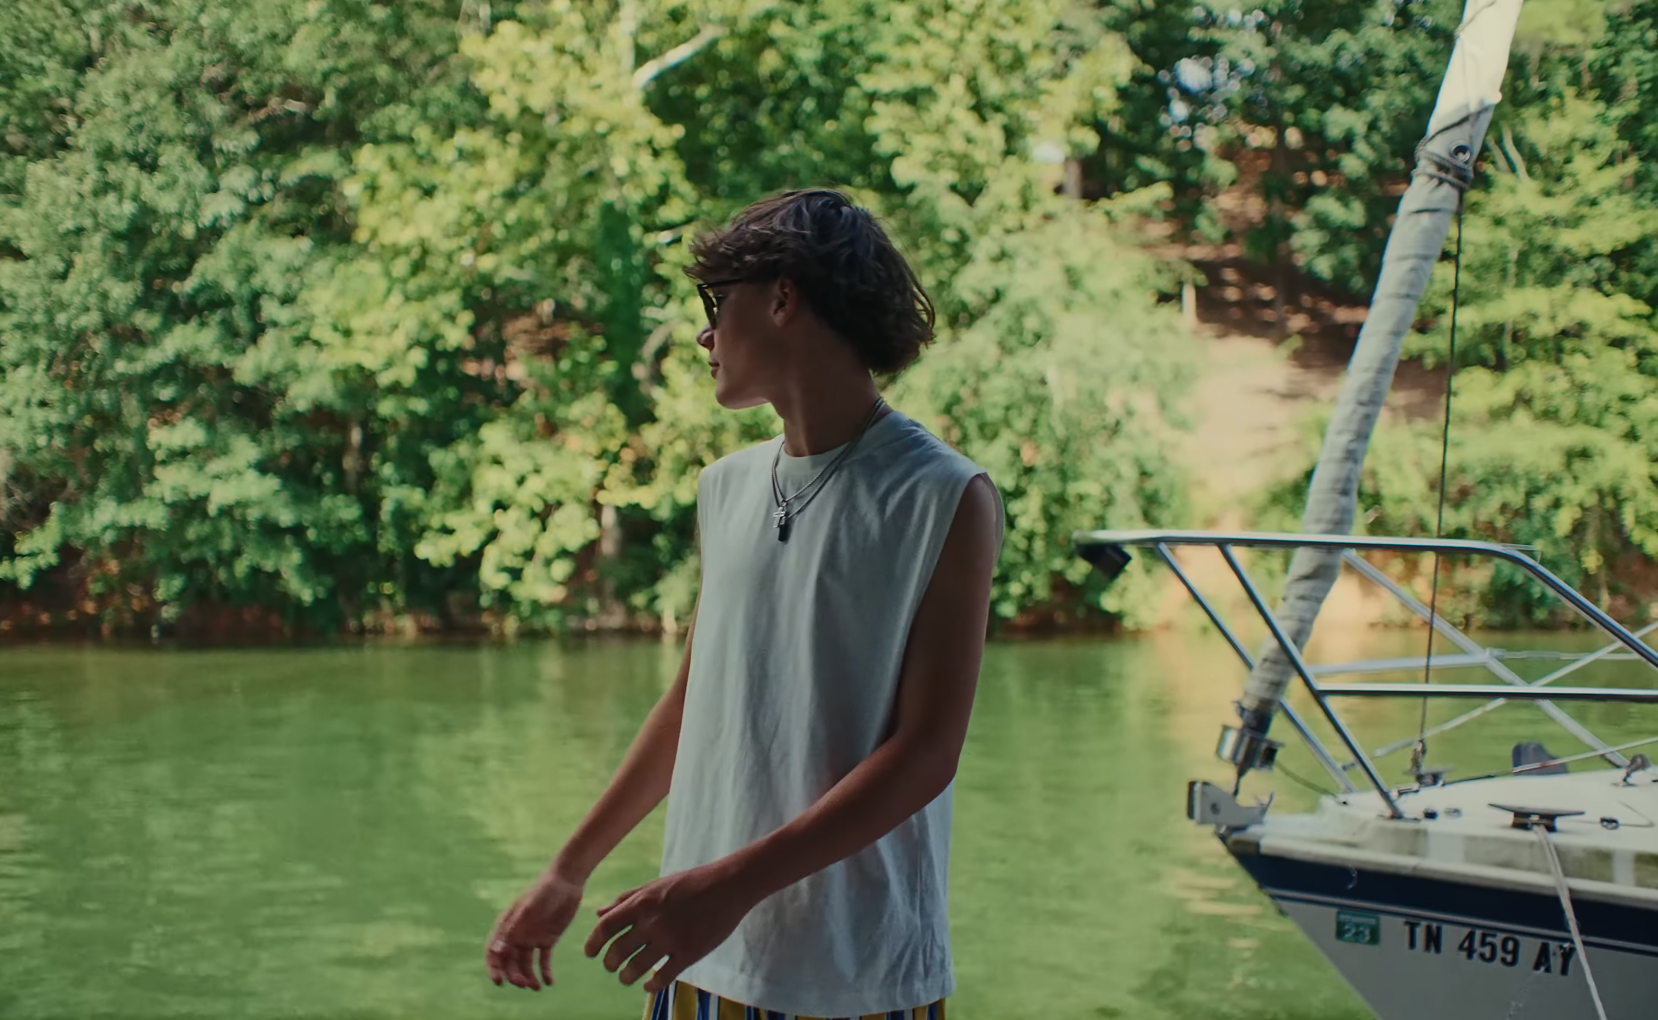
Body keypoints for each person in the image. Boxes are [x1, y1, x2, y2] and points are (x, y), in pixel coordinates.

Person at [484, 188, 1003, 1020]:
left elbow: (927, 752)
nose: (705, 334)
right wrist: (567, 870)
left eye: (715, 303)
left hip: (857, 971)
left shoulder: (942, 495)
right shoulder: (724, 487)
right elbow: (692, 702)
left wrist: (727, 888)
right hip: (701, 957)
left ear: (783, 298)